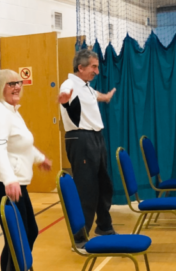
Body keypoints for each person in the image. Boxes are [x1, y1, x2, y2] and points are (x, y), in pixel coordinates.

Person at [0, 70, 52, 271]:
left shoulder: (12, 111)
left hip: (15, 183)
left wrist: (40, 157)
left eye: (19, 83)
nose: (17, 87)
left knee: (28, 232)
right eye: (11, 84)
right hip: (5, 184)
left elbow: (22, 145)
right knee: (17, 237)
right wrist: (9, 179)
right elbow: (0, 150)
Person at [59, 49, 116, 247]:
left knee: (103, 184)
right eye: (93, 67)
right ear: (80, 67)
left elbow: (94, 95)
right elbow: (66, 98)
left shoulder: (86, 87)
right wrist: (65, 102)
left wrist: (105, 97)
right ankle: (80, 236)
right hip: (81, 139)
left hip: (95, 138)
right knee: (86, 188)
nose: (97, 71)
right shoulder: (69, 85)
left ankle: (104, 226)